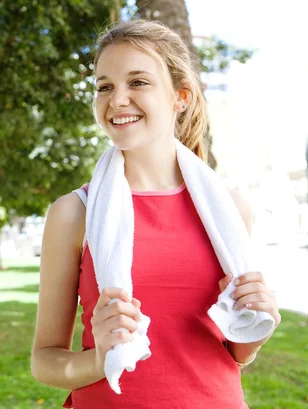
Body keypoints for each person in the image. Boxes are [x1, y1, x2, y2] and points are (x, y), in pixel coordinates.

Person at [30, 19, 281, 409]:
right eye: (104, 86)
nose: (117, 100)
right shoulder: (72, 214)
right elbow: (45, 360)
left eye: (138, 82)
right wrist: (100, 360)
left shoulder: (229, 211)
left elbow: (235, 354)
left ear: (179, 97)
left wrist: (256, 329)